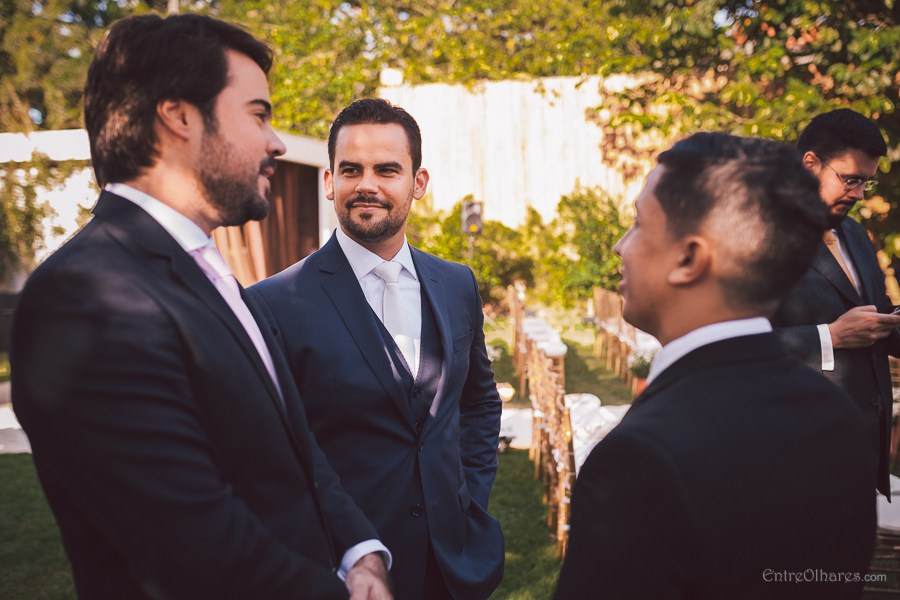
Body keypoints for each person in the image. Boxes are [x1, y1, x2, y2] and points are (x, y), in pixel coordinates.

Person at [11, 14, 391, 600]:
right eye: (258, 114)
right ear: (179, 116)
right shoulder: (86, 300)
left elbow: (293, 450)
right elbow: (194, 551)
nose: (277, 141)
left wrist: (360, 552)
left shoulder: (210, 275)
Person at [554, 133, 876, 599]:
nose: (620, 246)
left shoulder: (638, 460)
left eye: (640, 224)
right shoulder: (839, 417)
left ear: (689, 259)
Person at [248, 98, 504, 600]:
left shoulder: (456, 283)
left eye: (387, 169)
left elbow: (479, 401)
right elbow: (275, 451)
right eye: (351, 170)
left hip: (455, 562)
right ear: (329, 183)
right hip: (346, 570)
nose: (368, 184)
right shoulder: (274, 303)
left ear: (418, 183)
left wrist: (469, 498)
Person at [770, 108, 900, 497]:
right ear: (810, 164)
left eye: (867, 183)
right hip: (794, 456)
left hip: (862, 454)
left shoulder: (856, 234)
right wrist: (830, 337)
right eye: (851, 179)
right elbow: (728, 342)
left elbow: (875, 317)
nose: (859, 194)